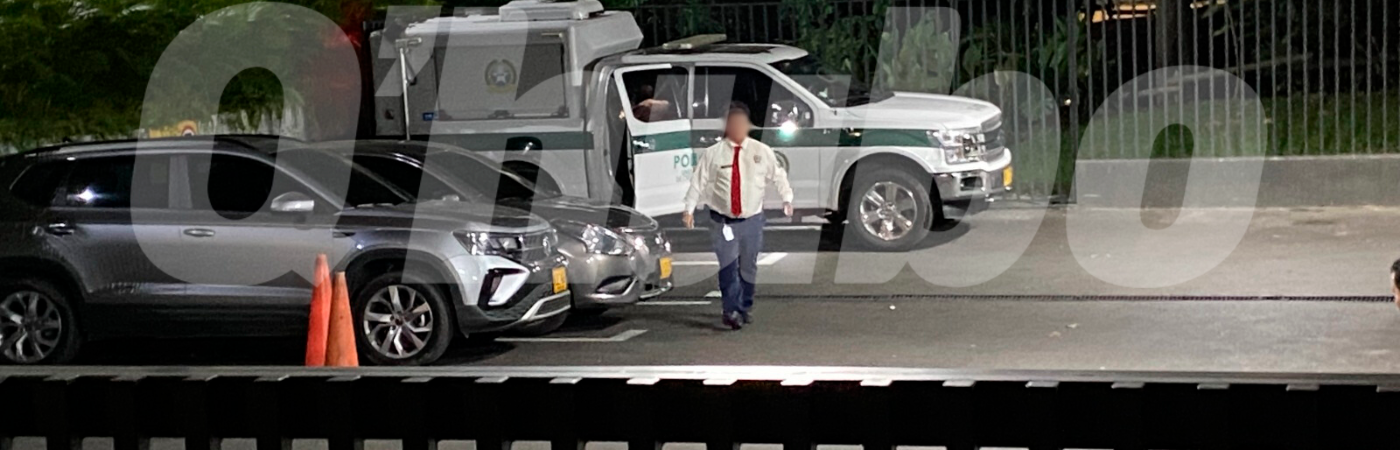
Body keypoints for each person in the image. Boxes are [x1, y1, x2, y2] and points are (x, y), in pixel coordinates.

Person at [682, 102, 794, 330]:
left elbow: (778, 176)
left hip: (752, 219)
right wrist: (689, 209)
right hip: (722, 220)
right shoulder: (713, 154)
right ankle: (730, 309)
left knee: (749, 266)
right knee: (728, 266)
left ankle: (744, 305)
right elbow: (698, 182)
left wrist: (787, 198)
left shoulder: (761, 152)